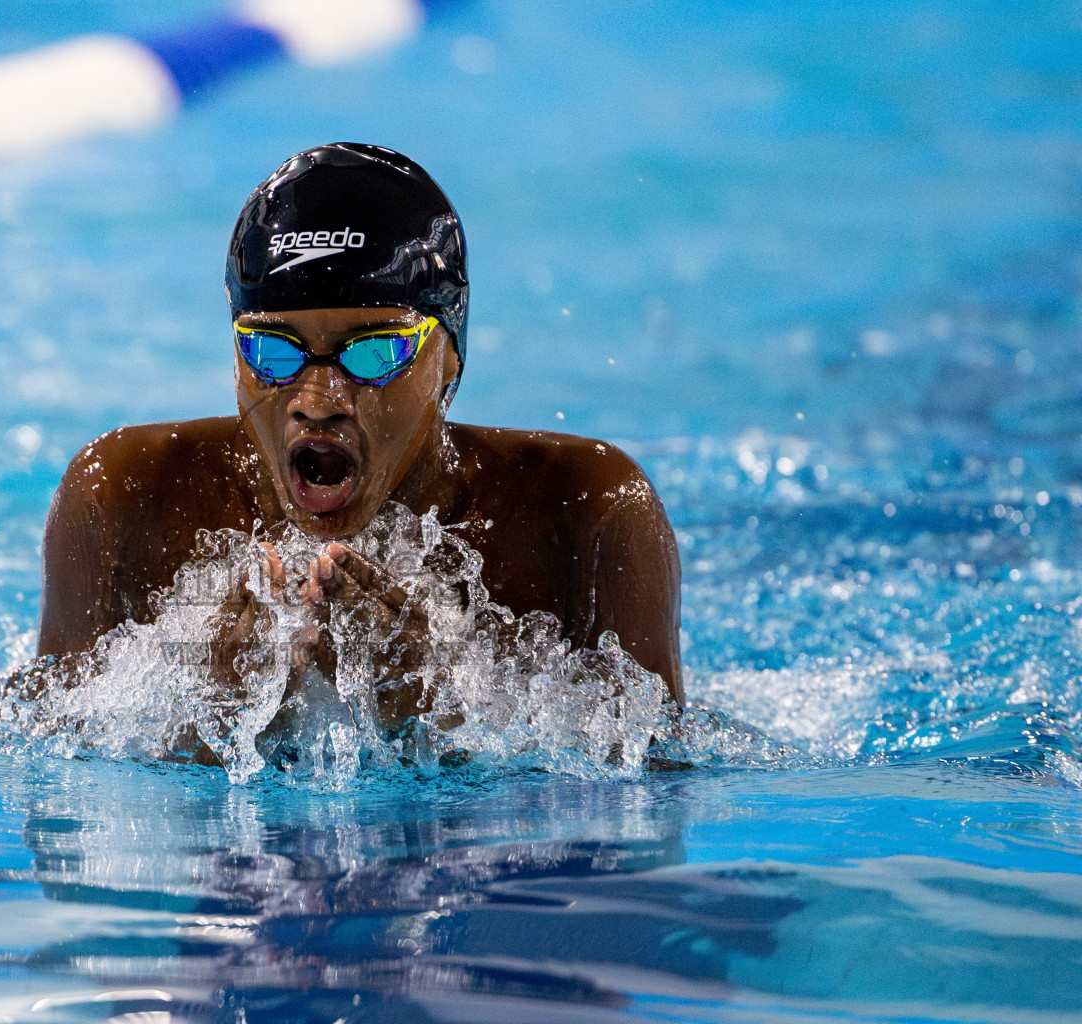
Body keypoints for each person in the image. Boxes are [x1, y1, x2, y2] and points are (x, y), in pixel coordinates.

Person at [34, 142, 682, 750]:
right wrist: (213, 716)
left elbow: (660, 794)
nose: (316, 399)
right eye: (270, 349)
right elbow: (38, 761)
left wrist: (438, 719)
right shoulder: (120, 502)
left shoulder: (588, 518)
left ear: (448, 359)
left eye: (375, 352)